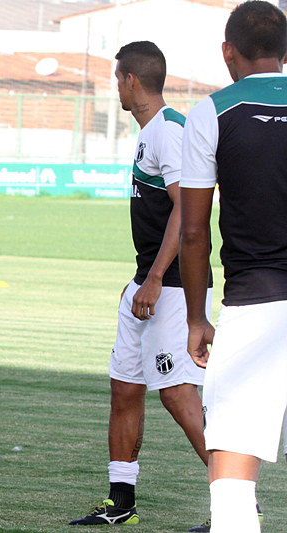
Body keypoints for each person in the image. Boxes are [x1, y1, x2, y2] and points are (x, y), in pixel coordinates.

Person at [70, 41, 212, 527]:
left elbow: (185, 208)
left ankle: (235, 498)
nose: (116, 88)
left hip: (171, 286)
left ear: (131, 80)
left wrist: (153, 279)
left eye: (117, 79)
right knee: (125, 388)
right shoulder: (153, 131)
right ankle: (121, 502)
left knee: (176, 393)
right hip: (145, 283)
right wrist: (140, 281)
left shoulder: (169, 131)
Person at [180, 2, 287, 532]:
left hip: (257, 304)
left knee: (232, 473)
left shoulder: (212, 112)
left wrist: (197, 318)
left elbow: (193, 230)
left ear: (228, 51)